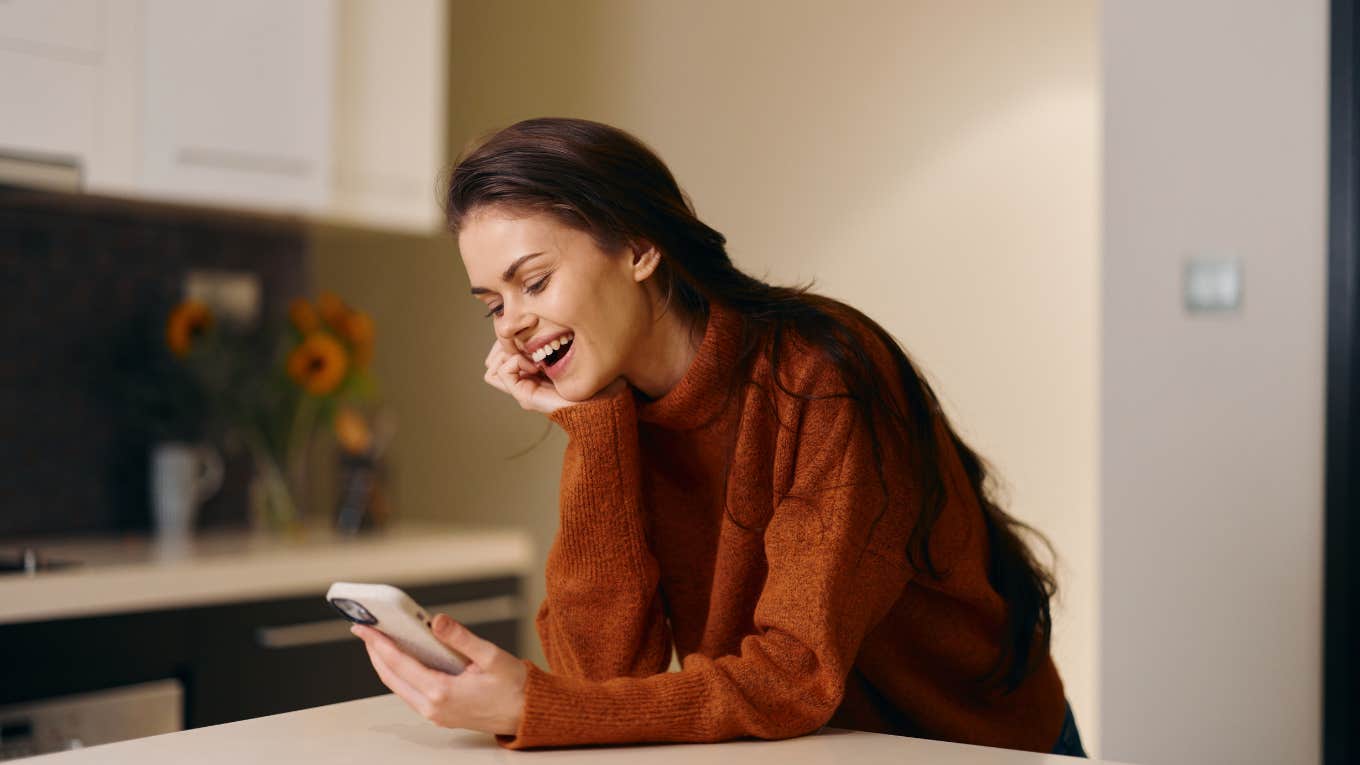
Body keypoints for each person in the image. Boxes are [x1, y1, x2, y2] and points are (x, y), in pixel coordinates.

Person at [350, 117, 1088, 757]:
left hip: (977, 749)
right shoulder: (616, 407)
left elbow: (795, 672)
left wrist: (535, 707)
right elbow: (606, 678)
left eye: (534, 282)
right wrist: (594, 427)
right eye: (493, 303)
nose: (511, 323)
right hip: (812, 750)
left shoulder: (821, 376)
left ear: (639, 249)